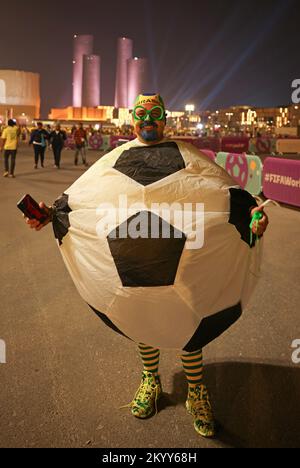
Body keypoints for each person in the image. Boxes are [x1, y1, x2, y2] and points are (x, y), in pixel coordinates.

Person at [24, 93, 269, 439]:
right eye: (142, 114)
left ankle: (196, 391)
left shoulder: (190, 157)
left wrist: (253, 218)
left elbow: (226, 193)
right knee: (142, 319)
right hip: (132, 265)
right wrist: (50, 215)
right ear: (132, 119)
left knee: (189, 321)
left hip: (186, 264)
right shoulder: (114, 159)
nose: (148, 120)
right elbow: (81, 201)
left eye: (155, 114)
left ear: (165, 118)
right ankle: (150, 379)